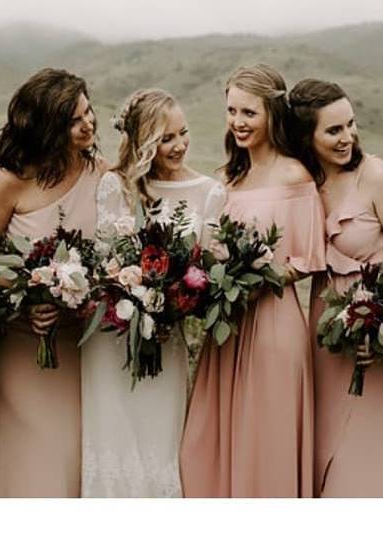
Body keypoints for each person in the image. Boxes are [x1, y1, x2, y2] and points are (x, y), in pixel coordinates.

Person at [179, 64, 325, 497]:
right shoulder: (227, 178)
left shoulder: (295, 175)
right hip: (227, 327)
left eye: (249, 113)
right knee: (203, 442)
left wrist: (258, 274)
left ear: (272, 115)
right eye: (232, 111)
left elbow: (308, 259)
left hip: (274, 323)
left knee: (267, 443)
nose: (238, 122)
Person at [82, 88, 226, 497]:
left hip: (166, 339)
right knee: (112, 442)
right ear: (145, 142)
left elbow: (209, 271)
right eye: (166, 138)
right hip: (111, 340)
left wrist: (176, 306)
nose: (179, 145)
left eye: (183, 133)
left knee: (159, 444)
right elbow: (104, 259)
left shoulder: (209, 192)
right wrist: (129, 294)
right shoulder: (116, 186)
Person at [0, 68, 107, 497]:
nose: (87, 124)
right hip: (19, 340)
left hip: (82, 338)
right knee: (42, 449)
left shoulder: (104, 174)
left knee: (75, 452)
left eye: (88, 111)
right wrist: (25, 298)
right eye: (73, 120)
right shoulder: (8, 183)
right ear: (48, 128)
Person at [289, 78, 383, 497]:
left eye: (350, 124)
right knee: (324, 440)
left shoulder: (375, 175)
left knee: (364, 451)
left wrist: (381, 327)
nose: (348, 137)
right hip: (322, 324)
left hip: (375, 328)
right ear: (307, 137)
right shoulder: (303, 182)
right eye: (333, 130)